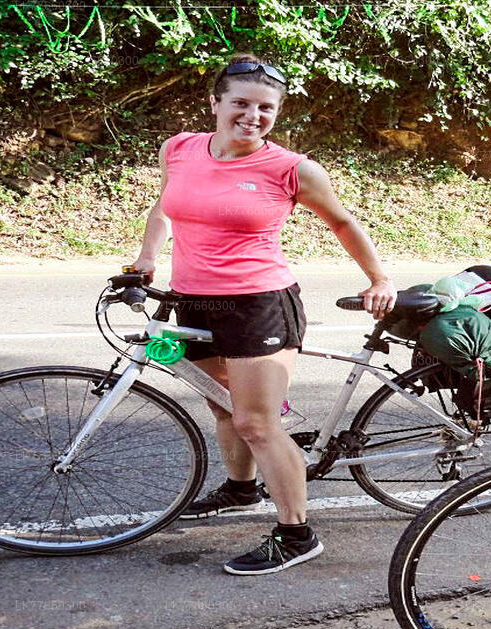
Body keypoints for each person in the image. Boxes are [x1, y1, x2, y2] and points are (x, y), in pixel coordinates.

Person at [131, 53, 396, 576]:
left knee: (256, 421)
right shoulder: (180, 148)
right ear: (215, 102)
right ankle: (240, 489)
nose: (252, 115)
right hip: (191, 298)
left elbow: (342, 223)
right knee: (223, 405)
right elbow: (165, 206)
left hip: (258, 304)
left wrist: (379, 278)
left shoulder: (291, 168)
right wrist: (146, 258)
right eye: (241, 103)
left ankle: (297, 534)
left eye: (265, 108)